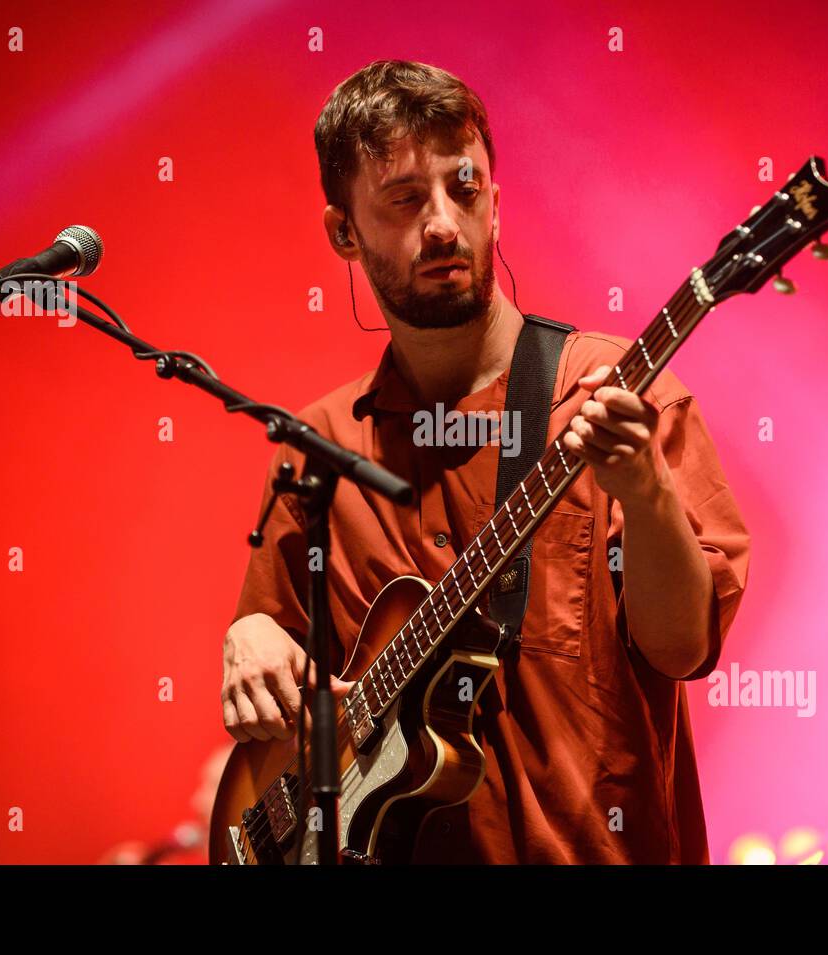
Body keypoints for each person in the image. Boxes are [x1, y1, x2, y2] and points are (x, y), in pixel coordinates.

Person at [221, 59, 750, 863]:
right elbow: (283, 707)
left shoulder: (617, 394)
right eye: (405, 199)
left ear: (496, 205)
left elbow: (682, 648)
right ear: (343, 232)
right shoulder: (319, 451)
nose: (442, 224)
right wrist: (251, 635)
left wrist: (642, 492)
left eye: (464, 190)